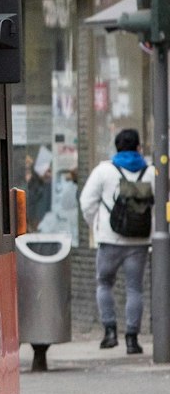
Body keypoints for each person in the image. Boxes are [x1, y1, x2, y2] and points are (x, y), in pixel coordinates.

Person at [80, 128, 155, 354]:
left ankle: (110, 332)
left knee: (104, 283)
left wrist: (96, 225)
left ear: (116, 147)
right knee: (135, 289)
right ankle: (132, 340)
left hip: (109, 239)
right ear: (139, 147)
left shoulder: (104, 170)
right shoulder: (151, 172)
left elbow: (86, 202)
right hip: (140, 241)